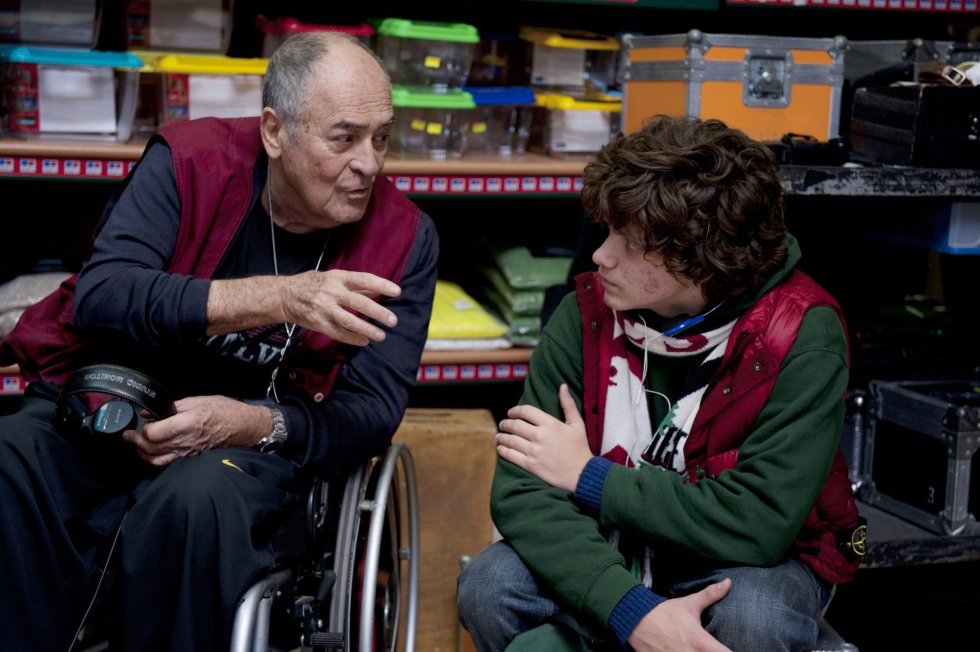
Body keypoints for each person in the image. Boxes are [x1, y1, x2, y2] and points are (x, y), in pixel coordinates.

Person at [0, 31, 438, 651]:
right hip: (120, 407)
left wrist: (248, 423)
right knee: (12, 454)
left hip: (250, 454)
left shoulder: (404, 239)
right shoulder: (191, 161)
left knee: (192, 501)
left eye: (382, 137)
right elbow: (103, 294)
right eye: (344, 138)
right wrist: (280, 297)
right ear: (274, 132)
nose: (370, 163)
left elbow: (369, 415)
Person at [457, 115, 865, 652]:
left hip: (743, 559)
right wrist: (633, 612)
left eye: (630, 242)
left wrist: (587, 475)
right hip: (615, 541)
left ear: (701, 258)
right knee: (489, 586)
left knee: (754, 616)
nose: (601, 255)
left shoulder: (802, 333)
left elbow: (757, 523)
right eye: (606, 231)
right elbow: (524, 491)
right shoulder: (587, 311)